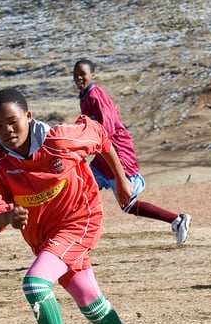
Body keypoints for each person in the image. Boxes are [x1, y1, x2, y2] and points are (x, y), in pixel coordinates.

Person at [0, 88, 148, 324]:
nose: (7, 130)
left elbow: (99, 134)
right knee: (90, 302)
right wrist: (8, 218)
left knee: (35, 284)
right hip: (45, 237)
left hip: (80, 220)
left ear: (29, 117)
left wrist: (121, 179)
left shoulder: (61, 140)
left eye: (13, 121)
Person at [73, 59, 191, 246]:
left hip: (116, 153)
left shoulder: (96, 96)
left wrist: (86, 143)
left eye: (83, 73)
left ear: (92, 75)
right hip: (103, 155)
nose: (79, 77)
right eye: (76, 74)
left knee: (127, 204)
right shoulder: (85, 96)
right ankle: (73, 236)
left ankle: (177, 220)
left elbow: (108, 129)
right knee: (79, 186)